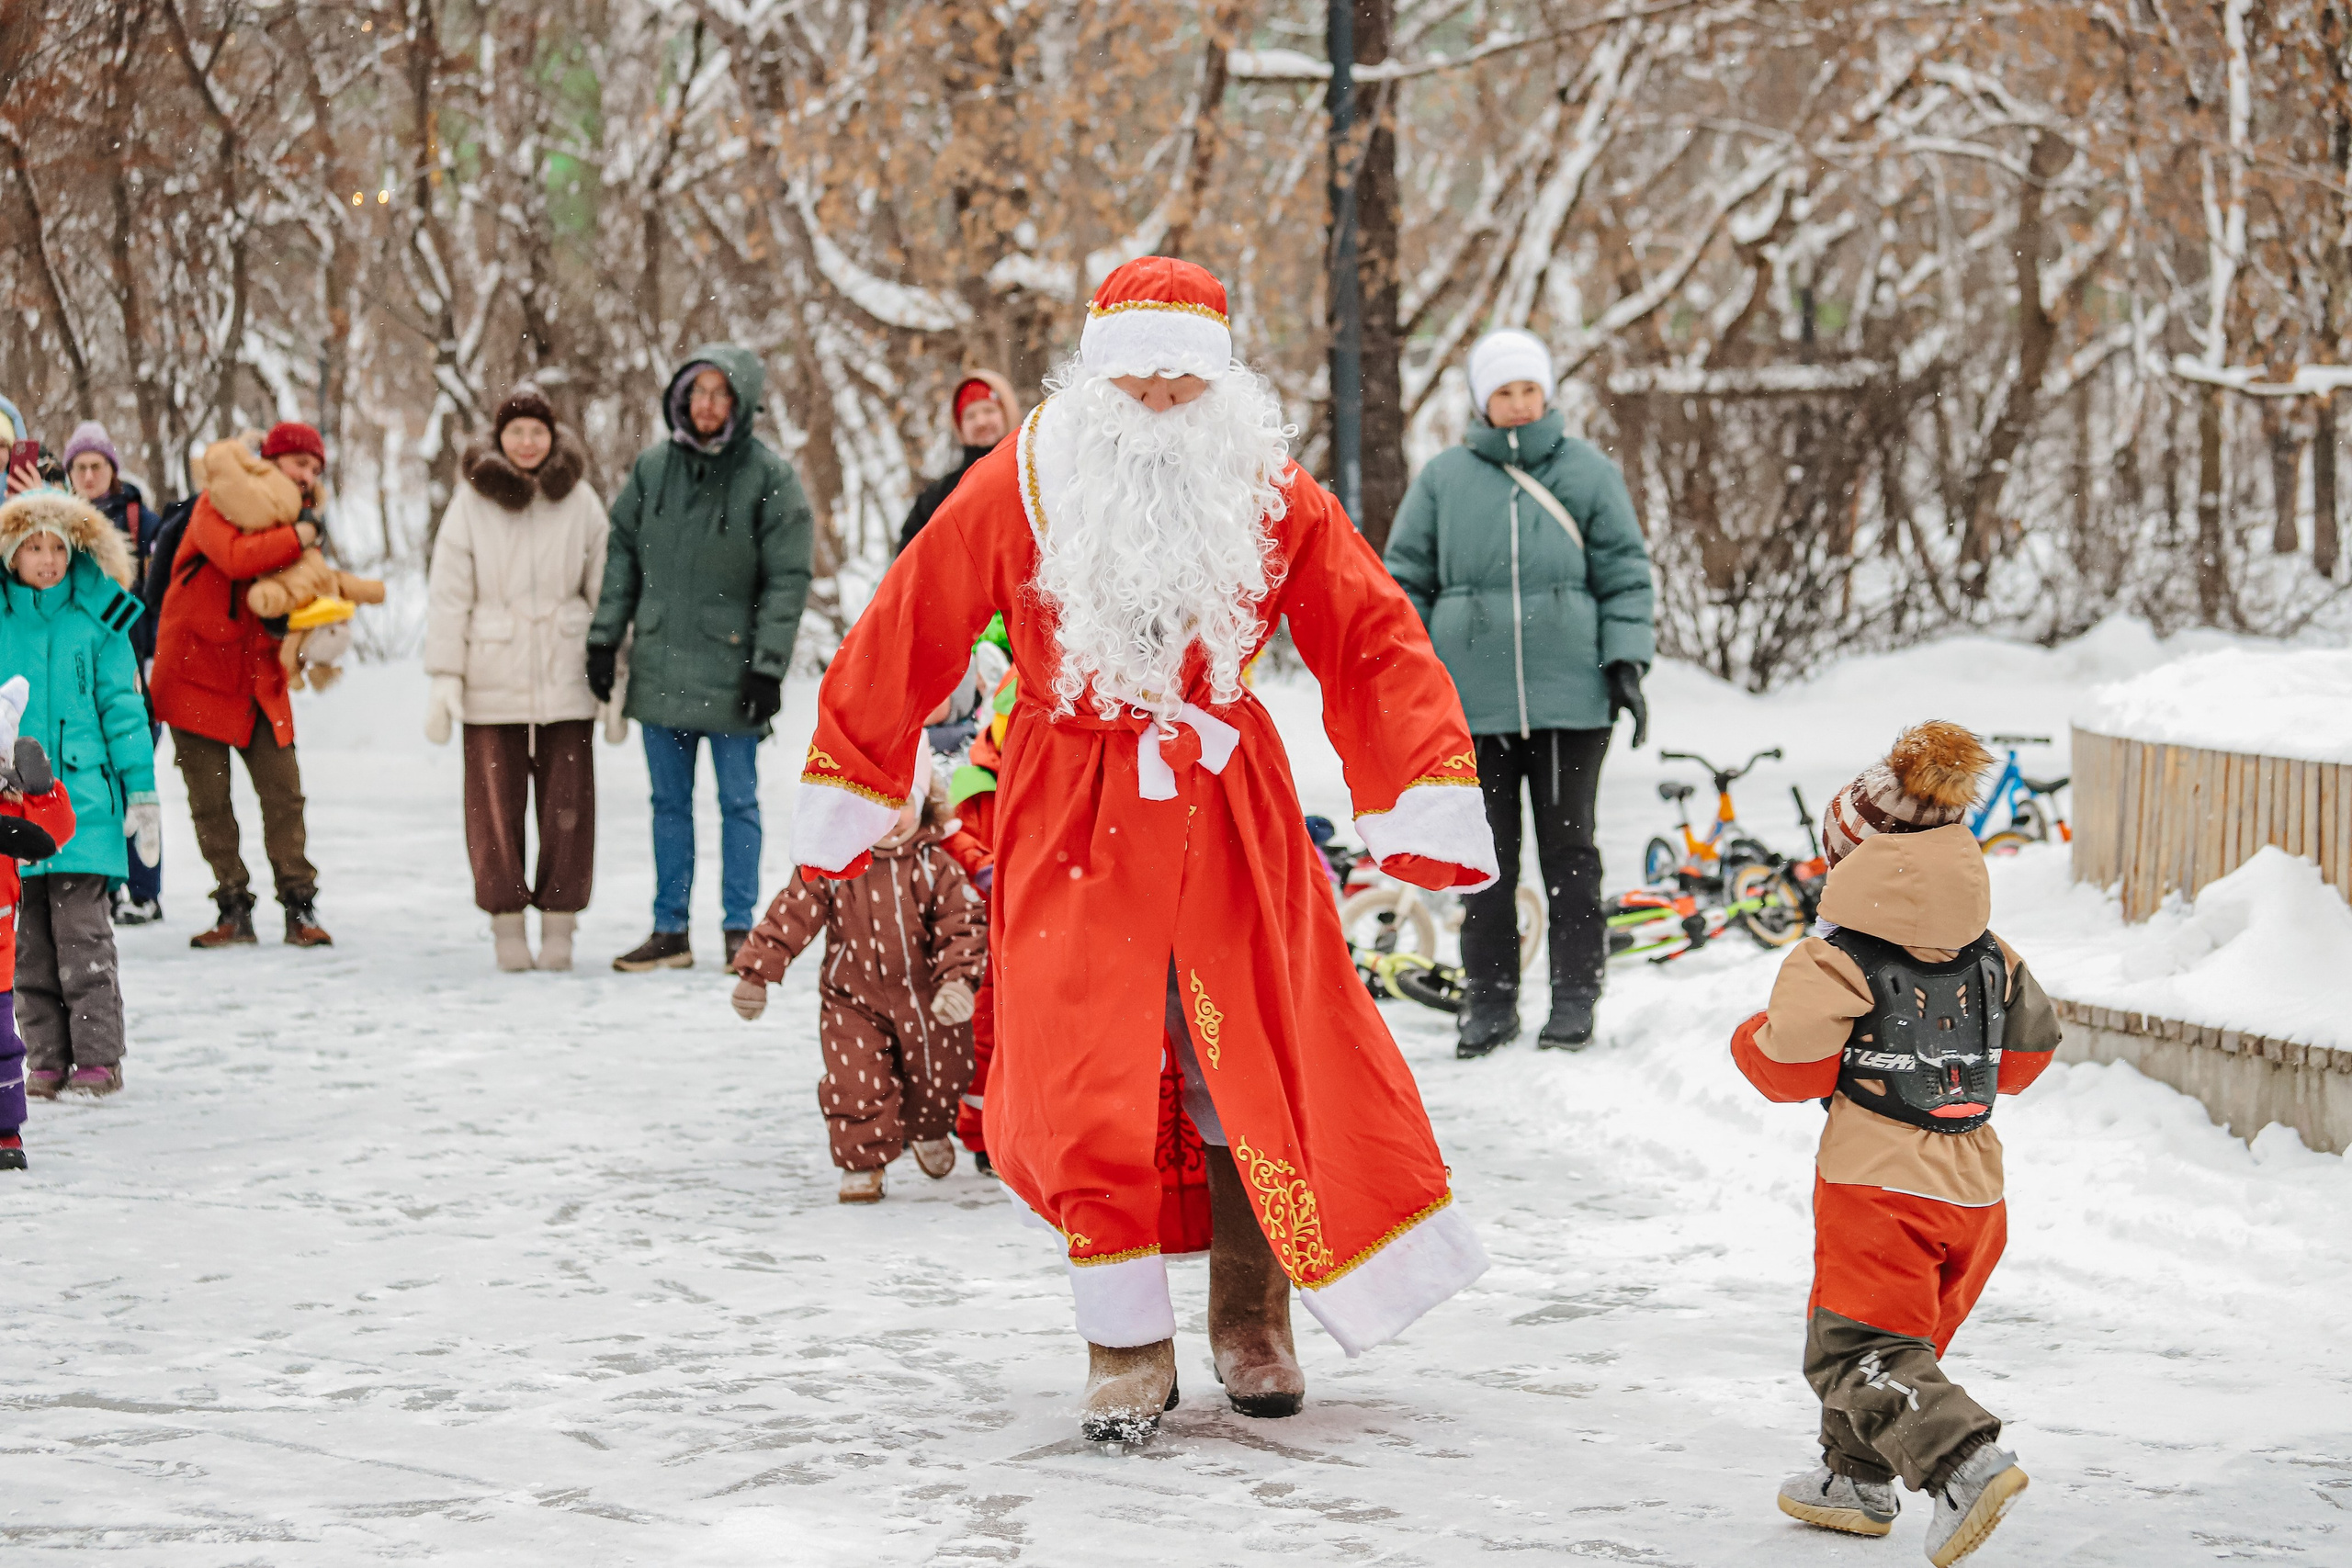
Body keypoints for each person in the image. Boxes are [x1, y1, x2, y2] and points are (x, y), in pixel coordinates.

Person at [791, 257, 1498, 1442]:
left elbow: (1371, 633)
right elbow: (912, 615)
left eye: (1184, 379)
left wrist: (1418, 786)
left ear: (1220, 381)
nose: (1162, 400)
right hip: (1072, 802)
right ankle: (1122, 1341)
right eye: (1138, 378)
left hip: (1227, 806)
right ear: (1097, 376)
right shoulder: (1023, 477)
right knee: (1087, 1070)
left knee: (1248, 1054)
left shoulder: (1266, 487)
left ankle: (1250, 1314)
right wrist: (856, 775)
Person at [1729, 722, 2061, 1566]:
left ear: (1853, 863)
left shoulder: (1833, 958)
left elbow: (1791, 1070)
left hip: (1877, 1184)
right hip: (1977, 1191)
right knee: (1894, 1339)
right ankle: (1854, 1479)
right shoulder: (1994, 955)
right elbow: (2026, 1059)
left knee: (1855, 1344)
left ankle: (1962, 1462)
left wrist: (1749, 1038)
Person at [1385, 327, 1657, 1057]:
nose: (1519, 403)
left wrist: (1626, 661)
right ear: (1482, 399)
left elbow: (1625, 571)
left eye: (1529, 389)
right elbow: (1404, 581)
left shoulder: (1587, 473)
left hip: (1572, 700)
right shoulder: (1443, 480)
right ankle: (1489, 1001)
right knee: (1486, 858)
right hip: (1471, 706)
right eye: (1504, 391)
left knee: (1570, 854)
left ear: (1547, 393)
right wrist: (1410, 674)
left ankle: (1574, 998)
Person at [588, 346, 814, 972]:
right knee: (668, 805)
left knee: (738, 804)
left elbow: (788, 577)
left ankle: (741, 929)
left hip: (735, 671)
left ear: (741, 403)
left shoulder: (769, 477)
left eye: (720, 393)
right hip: (660, 662)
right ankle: (671, 930)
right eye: (698, 392)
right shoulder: (652, 469)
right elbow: (622, 554)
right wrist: (605, 637)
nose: (707, 405)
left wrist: (768, 665)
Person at [729, 749, 987, 1202]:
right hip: (853, 998)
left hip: (927, 999)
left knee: (941, 1073)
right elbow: (791, 913)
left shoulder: (936, 867)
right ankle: (863, 1163)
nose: (890, 818)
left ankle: (928, 1129)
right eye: (876, 805)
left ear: (924, 803)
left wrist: (956, 981)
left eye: (902, 802)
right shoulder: (834, 863)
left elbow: (963, 926)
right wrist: (757, 973)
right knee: (855, 1080)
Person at [424, 389, 610, 973]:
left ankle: (560, 924)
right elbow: (449, 595)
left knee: (568, 807)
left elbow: (605, 589)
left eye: (537, 432)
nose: (527, 443)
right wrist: (445, 677)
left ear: (553, 437)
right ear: (499, 438)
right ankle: (506, 922)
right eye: (516, 432)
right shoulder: (471, 503)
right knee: (493, 810)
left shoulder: (579, 500)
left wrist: (614, 676)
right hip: (491, 673)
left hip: (566, 672)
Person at [0, 490, 159, 1099]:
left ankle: (97, 1058)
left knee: (83, 939)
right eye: (33, 547)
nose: (47, 560)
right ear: (11, 555)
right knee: (29, 947)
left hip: (85, 805)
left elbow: (124, 708)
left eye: (57, 548)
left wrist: (141, 791)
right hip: (14, 809)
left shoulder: (98, 619)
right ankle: (44, 1058)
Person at [149, 423, 332, 948]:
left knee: (285, 795)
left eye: (315, 469)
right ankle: (233, 907)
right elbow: (236, 557)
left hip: (257, 676)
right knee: (211, 802)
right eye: (299, 463)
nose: (307, 476)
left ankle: (299, 907)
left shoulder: (301, 518)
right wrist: (301, 537)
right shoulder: (218, 502)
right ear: (269, 462)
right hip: (195, 672)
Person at [61, 421, 165, 924]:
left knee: (134, 774)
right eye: (79, 467)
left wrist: (155, 658)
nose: (88, 475)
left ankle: (144, 889)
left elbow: (158, 593)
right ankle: (109, 886)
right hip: (78, 671)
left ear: (112, 469)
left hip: (136, 664)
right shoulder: (55, 523)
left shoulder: (141, 521)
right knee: (95, 786)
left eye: (96, 466)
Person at [0, 679, 76, 1161]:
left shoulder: (10, 800)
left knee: (3, 1048)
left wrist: (44, 791)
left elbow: (53, 834)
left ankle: (5, 1133)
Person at [896, 371, 1021, 554]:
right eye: (970, 416)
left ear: (1007, 413)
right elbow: (909, 558)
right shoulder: (940, 496)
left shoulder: (1031, 475)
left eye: (989, 410)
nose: (981, 422)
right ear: (960, 426)